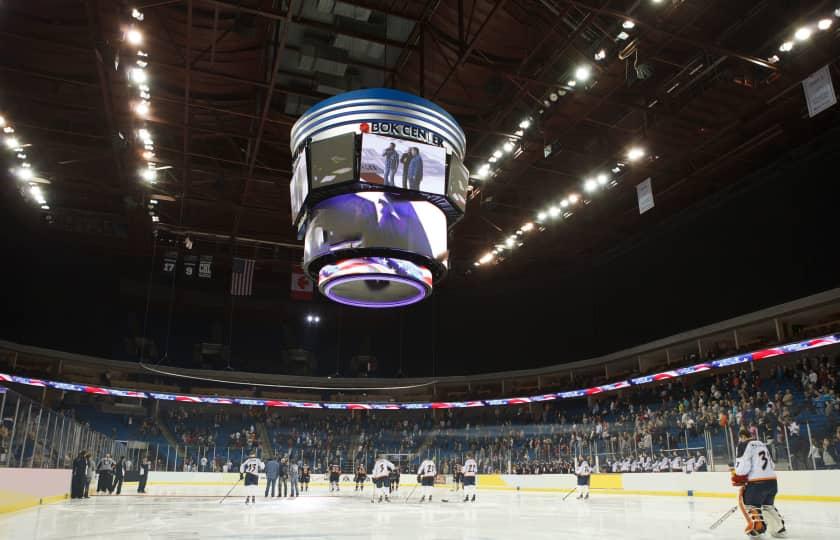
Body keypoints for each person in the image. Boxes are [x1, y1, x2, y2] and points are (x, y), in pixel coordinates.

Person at [732, 427, 786, 537]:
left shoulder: (744, 444)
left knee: (751, 505)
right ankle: (779, 529)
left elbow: (742, 469)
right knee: (768, 505)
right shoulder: (762, 444)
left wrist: (737, 474)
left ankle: (757, 528)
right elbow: (772, 465)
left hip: (757, 483)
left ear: (742, 437)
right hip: (772, 481)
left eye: (740, 439)